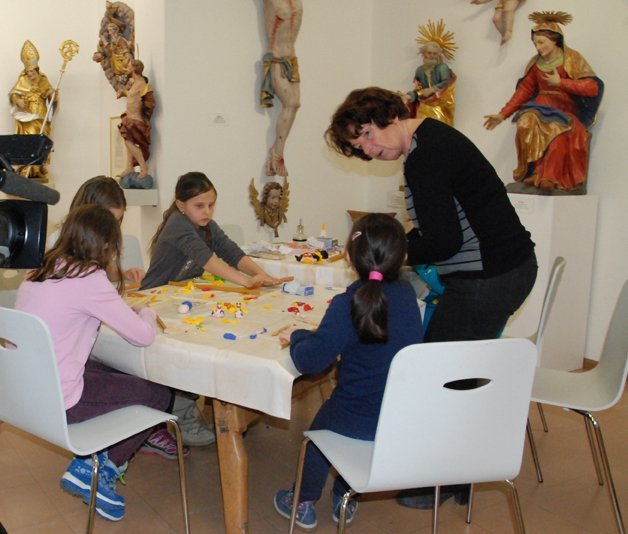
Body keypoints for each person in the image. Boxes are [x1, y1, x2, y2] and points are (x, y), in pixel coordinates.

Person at [326, 87, 537, 508]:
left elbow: (443, 240)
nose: (369, 149)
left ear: (387, 115)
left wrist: (386, 254)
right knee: (458, 374)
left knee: (439, 378)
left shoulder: (426, 156)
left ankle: (437, 482)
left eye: (366, 134)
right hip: (504, 269)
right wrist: (399, 245)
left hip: (490, 276)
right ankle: (460, 475)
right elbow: (436, 228)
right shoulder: (432, 140)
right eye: (359, 146)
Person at [15, 205, 172, 522]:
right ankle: (96, 469)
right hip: (61, 402)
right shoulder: (89, 277)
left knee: (117, 372)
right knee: (159, 393)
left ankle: (98, 458)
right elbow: (142, 336)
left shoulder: (38, 270)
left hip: (26, 393)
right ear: (107, 246)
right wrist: (147, 313)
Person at [273, 213, 422, 529]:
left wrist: (298, 336)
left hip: (356, 413)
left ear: (349, 258)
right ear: (404, 257)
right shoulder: (407, 294)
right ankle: (346, 497)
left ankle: (302, 501)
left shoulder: (347, 303)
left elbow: (311, 362)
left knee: (317, 438)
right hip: (401, 418)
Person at [483, 11, 603, 193]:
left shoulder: (572, 58)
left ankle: (549, 176)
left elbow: (592, 87)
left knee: (558, 131)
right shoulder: (536, 63)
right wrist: (502, 115)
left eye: (541, 42)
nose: (537, 47)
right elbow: (524, 91)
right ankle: (534, 172)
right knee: (526, 121)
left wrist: (561, 83)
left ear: (555, 40)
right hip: (539, 107)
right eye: (535, 43)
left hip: (565, 110)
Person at [141, 171, 293, 290]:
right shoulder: (177, 223)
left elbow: (233, 253)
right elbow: (208, 261)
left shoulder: (209, 225)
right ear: (181, 205)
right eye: (199, 206)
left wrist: (263, 276)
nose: (207, 211)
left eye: (211, 205)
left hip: (181, 292)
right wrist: (247, 281)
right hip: (154, 293)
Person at [47, 176, 145, 284]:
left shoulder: (103, 240)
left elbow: (107, 270)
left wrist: (125, 274)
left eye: (116, 222)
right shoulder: (57, 244)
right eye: (108, 223)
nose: (111, 229)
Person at [260, 0, 303, 177]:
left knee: (295, 105)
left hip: (291, 60)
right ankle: (277, 153)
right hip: (277, 59)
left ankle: (276, 153)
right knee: (291, 103)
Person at [9, 40, 56, 178]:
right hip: (26, 115)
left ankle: (38, 168)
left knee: (40, 139)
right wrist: (17, 100)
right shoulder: (22, 80)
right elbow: (13, 94)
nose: (29, 74)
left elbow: (51, 97)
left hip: (40, 113)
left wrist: (53, 95)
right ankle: (26, 168)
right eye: (27, 72)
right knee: (28, 139)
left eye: (31, 71)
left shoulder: (44, 80)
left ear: (36, 70)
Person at [118, 59, 155, 182]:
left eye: (129, 66)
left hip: (136, 119)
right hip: (129, 118)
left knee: (129, 143)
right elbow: (131, 96)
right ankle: (129, 167)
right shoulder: (134, 83)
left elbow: (146, 101)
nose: (127, 68)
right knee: (127, 142)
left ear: (135, 68)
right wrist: (124, 91)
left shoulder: (141, 83)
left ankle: (143, 167)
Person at [405, 42, 456, 126]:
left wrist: (433, 89)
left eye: (435, 53)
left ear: (438, 55)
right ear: (423, 54)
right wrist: (410, 96)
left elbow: (447, 83)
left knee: (438, 127)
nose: (432, 56)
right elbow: (419, 89)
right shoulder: (420, 70)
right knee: (422, 127)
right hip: (424, 106)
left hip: (438, 106)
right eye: (429, 53)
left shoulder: (442, 68)